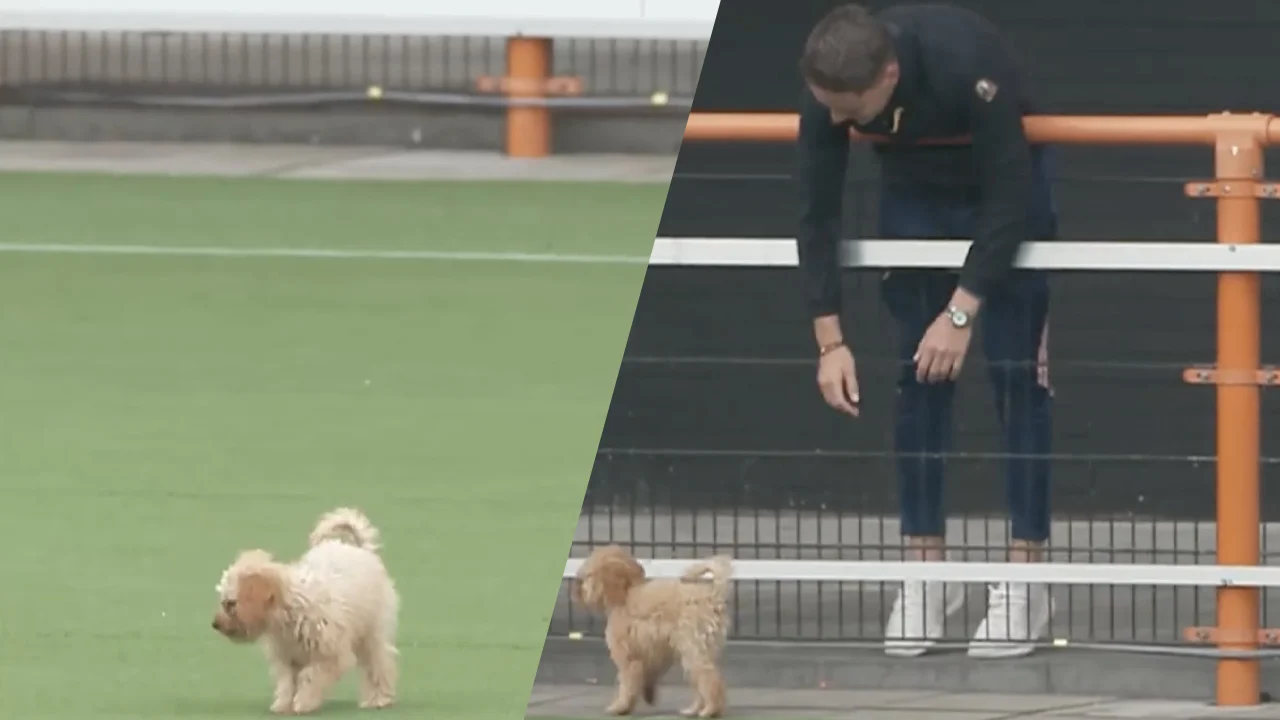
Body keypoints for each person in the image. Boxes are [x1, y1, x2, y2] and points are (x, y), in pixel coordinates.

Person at [794, 2, 1056, 659]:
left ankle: (1027, 576)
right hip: (914, 195)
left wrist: (962, 310)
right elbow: (816, 212)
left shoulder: (965, 62)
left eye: (848, 111)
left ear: (887, 78)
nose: (834, 121)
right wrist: (830, 340)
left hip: (1004, 189)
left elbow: (1010, 193)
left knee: (1017, 379)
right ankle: (926, 570)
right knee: (919, 380)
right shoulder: (829, 90)